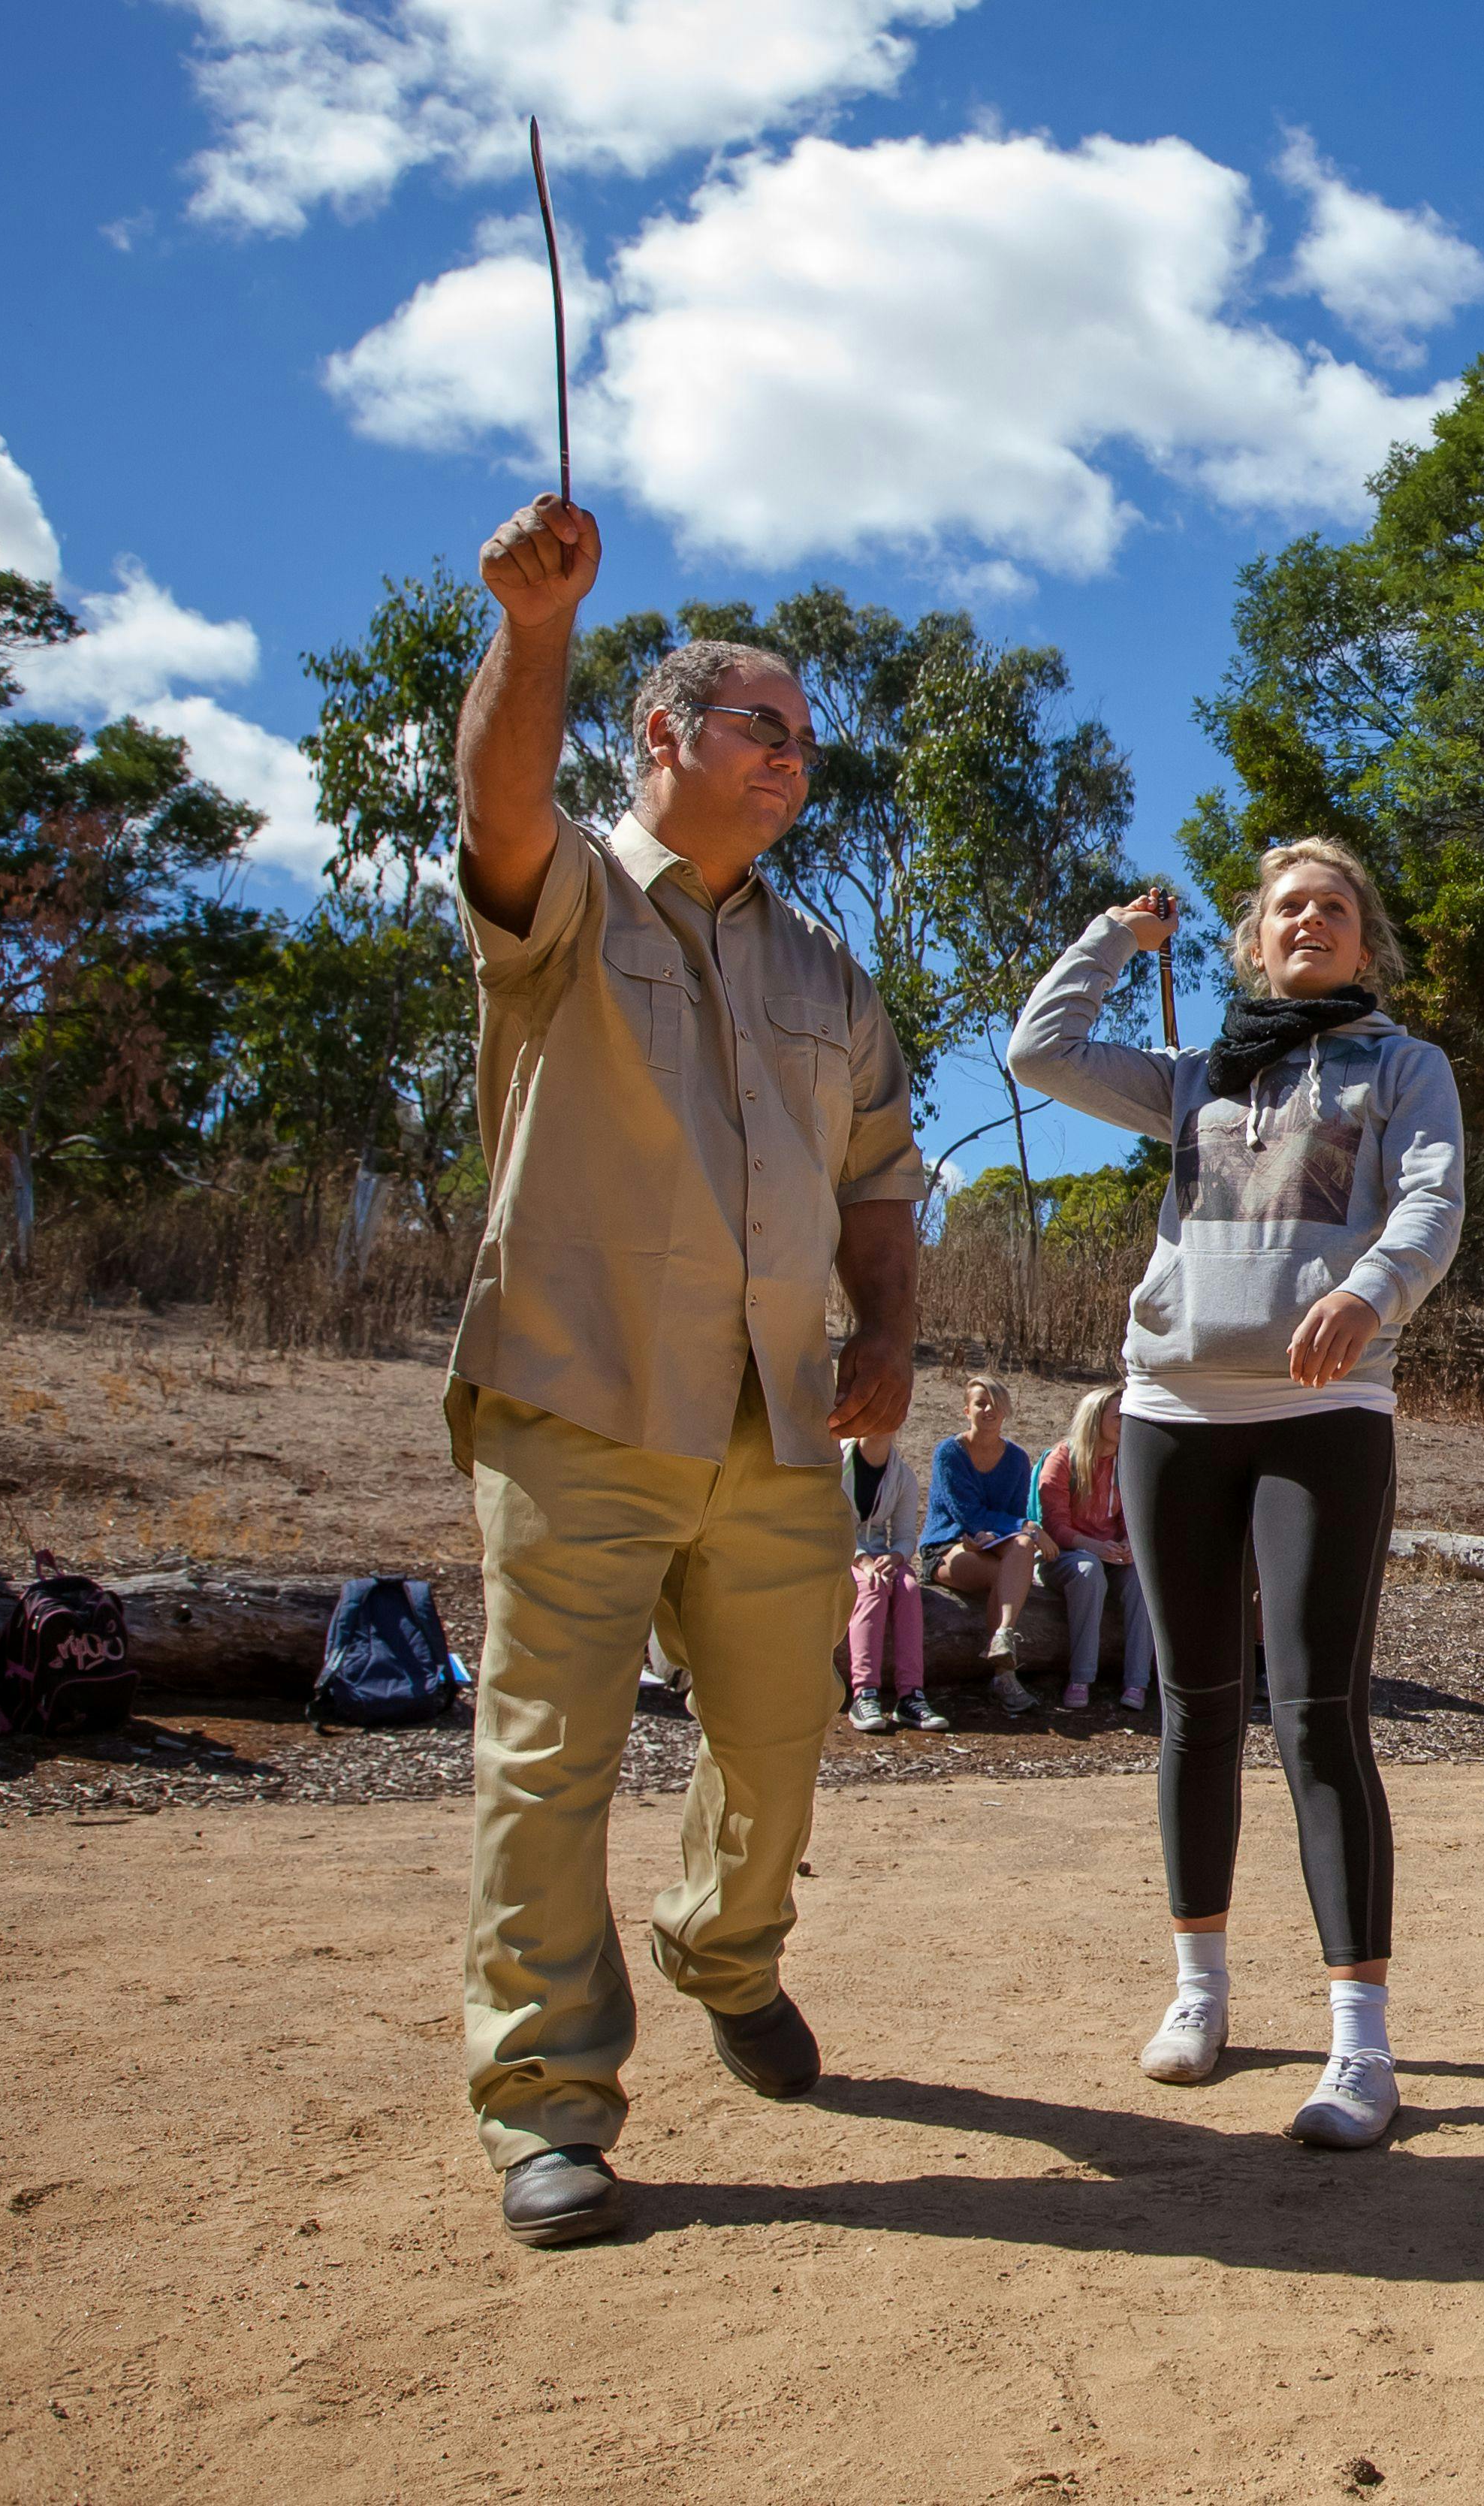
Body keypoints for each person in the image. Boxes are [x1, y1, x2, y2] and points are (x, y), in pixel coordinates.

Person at [439, 491, 927, 2247]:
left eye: (805, 740)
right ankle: (550, 2100)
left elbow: (880, 1168)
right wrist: (536, 627)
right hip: (579, 1392)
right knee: (548, 1763)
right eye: (766, 730)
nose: (797, 759)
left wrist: (885, 1332)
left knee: (785, 1738)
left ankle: (725, 1945)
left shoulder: (827, 976)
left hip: (776, 1419)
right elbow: (496, 803)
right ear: (665, 735)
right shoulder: (564, 894)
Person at [1009, 838, 1463, 2150]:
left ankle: (1358, 2048)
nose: (1308, 920)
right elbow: (1037, 1054)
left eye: (1332, 907)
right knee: (1197, 1712)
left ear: (1360, 943)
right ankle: (1198, 1994)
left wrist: (1372, 1288)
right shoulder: (1195, 1077)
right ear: (1250, 944)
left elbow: (1431, 1203)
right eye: (1283, 909)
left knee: (1318, 1714)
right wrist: (1108, 939)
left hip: (1325, 1413)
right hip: (1168, 1414)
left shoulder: (1402, 1067)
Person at [924, 1376, 1057, 1713]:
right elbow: (966, 1513)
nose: (989, 1410)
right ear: (966, 1410)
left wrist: (1019, 1530)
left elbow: (1012, 1513)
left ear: (1006, 1411)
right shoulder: (949, 1453)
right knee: (1012, 1563)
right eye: (981, 1403)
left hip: (995, 1541)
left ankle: (1003, 1636)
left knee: (1024, 1547)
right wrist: (1024, 1527)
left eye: (996, 1404)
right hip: (951, 1544)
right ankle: (1005, 1677)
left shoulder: (1015, 1458)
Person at [1037, 1384, 1155, 1714]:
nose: (1125, 1422)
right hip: (1066, 1555)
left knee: (1140, 1578)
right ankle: (1081, 1678)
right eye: (1118, 1416)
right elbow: (1054, 1526)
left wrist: (1131, 1545)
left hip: (1111, 1554)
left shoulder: (1128, 1460)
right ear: (1095, 1419)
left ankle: (1137, 1682)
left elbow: (1134, 1516)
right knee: (1088, 1573)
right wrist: (1094, 1547)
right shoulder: (1064, 1458)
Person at [841, 1426, 928, 1734]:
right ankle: (864, 1692)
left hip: (880, 1555)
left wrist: (895, 1558)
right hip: (838, 1552)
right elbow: (825, 1521)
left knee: (908, 1586)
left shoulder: (902, 1475)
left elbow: (905, 1536)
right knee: (873, 1588)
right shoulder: (835, 1462)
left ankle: (910, 1695)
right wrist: (862, 1561)